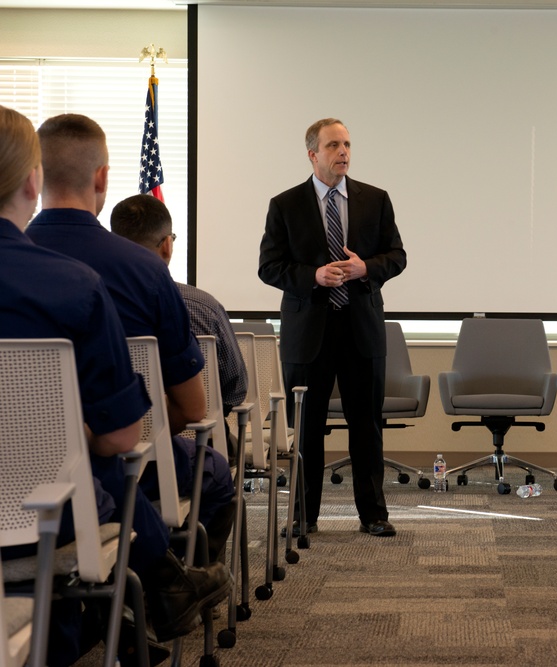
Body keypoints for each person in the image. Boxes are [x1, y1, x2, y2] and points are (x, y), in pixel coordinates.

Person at [0, 106, 230, 662]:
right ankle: (166, 585)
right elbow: (130, 434)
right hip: (41, 517)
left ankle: (143, 605)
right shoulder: (79, 285)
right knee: (99, 455)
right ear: (32, 179)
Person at [27, 115, 235, 564]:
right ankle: (182, 586)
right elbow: (192, 409)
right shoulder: (145, 270)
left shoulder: (17, 260)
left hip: (17, 474)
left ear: (36, 175)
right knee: (215, 473)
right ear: (102, 177)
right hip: (127, 459)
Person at [259, 118, 406, 537]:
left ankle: (374, 514)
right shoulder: (285, 204)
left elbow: (397, 256)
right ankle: (304, 517)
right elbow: (269, 267)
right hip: (309, 333)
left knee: (366, 424)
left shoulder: (375, 200)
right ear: (313, 154)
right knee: (306, 428)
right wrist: (313, 277)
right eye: (333, 146)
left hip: (361, 328)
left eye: (347, 144)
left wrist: (366, 268)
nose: (343, 152)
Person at [110, 194, 248, 424]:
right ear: (167, 245)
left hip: (117, 443)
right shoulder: (205, 307)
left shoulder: (95, 305)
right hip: (199, 441)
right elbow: (235, 389)